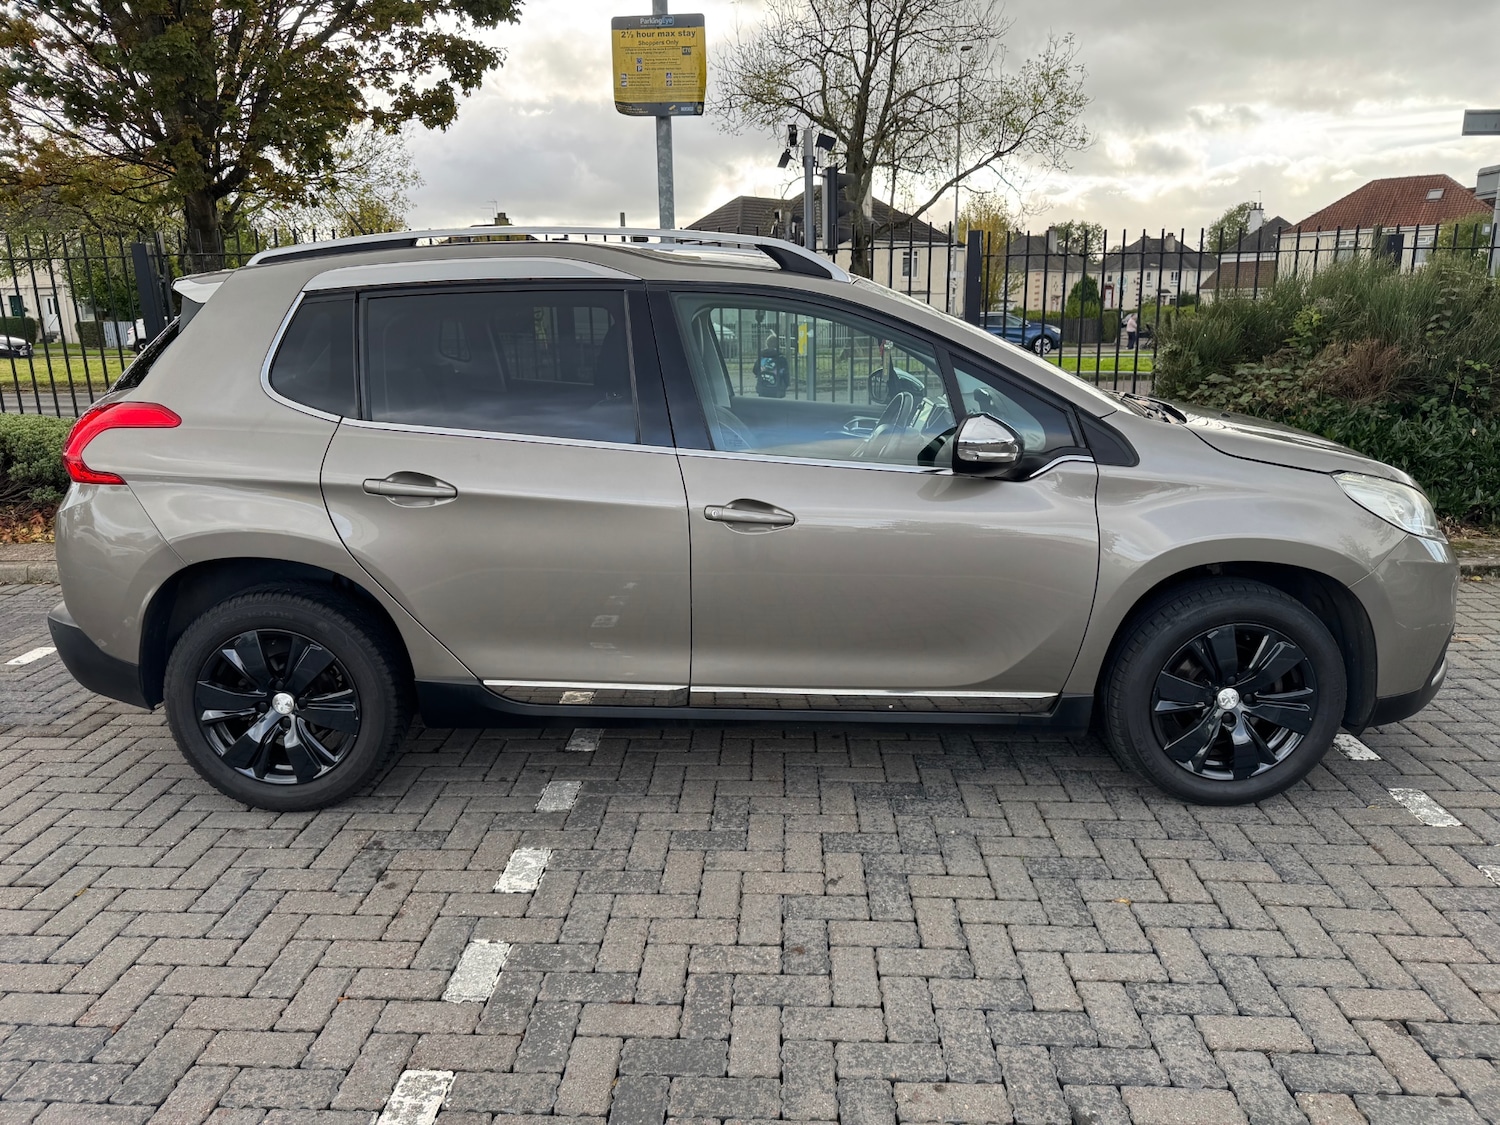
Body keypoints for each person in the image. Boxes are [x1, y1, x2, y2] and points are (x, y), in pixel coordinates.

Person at [756, 333, 790, 398]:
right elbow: (786, 374)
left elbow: (755, 370)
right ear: (778, 345)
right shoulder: (781, 359)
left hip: (763, 387)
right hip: (777, 389)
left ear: (767, 344)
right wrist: (786, 385)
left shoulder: (762, 357)